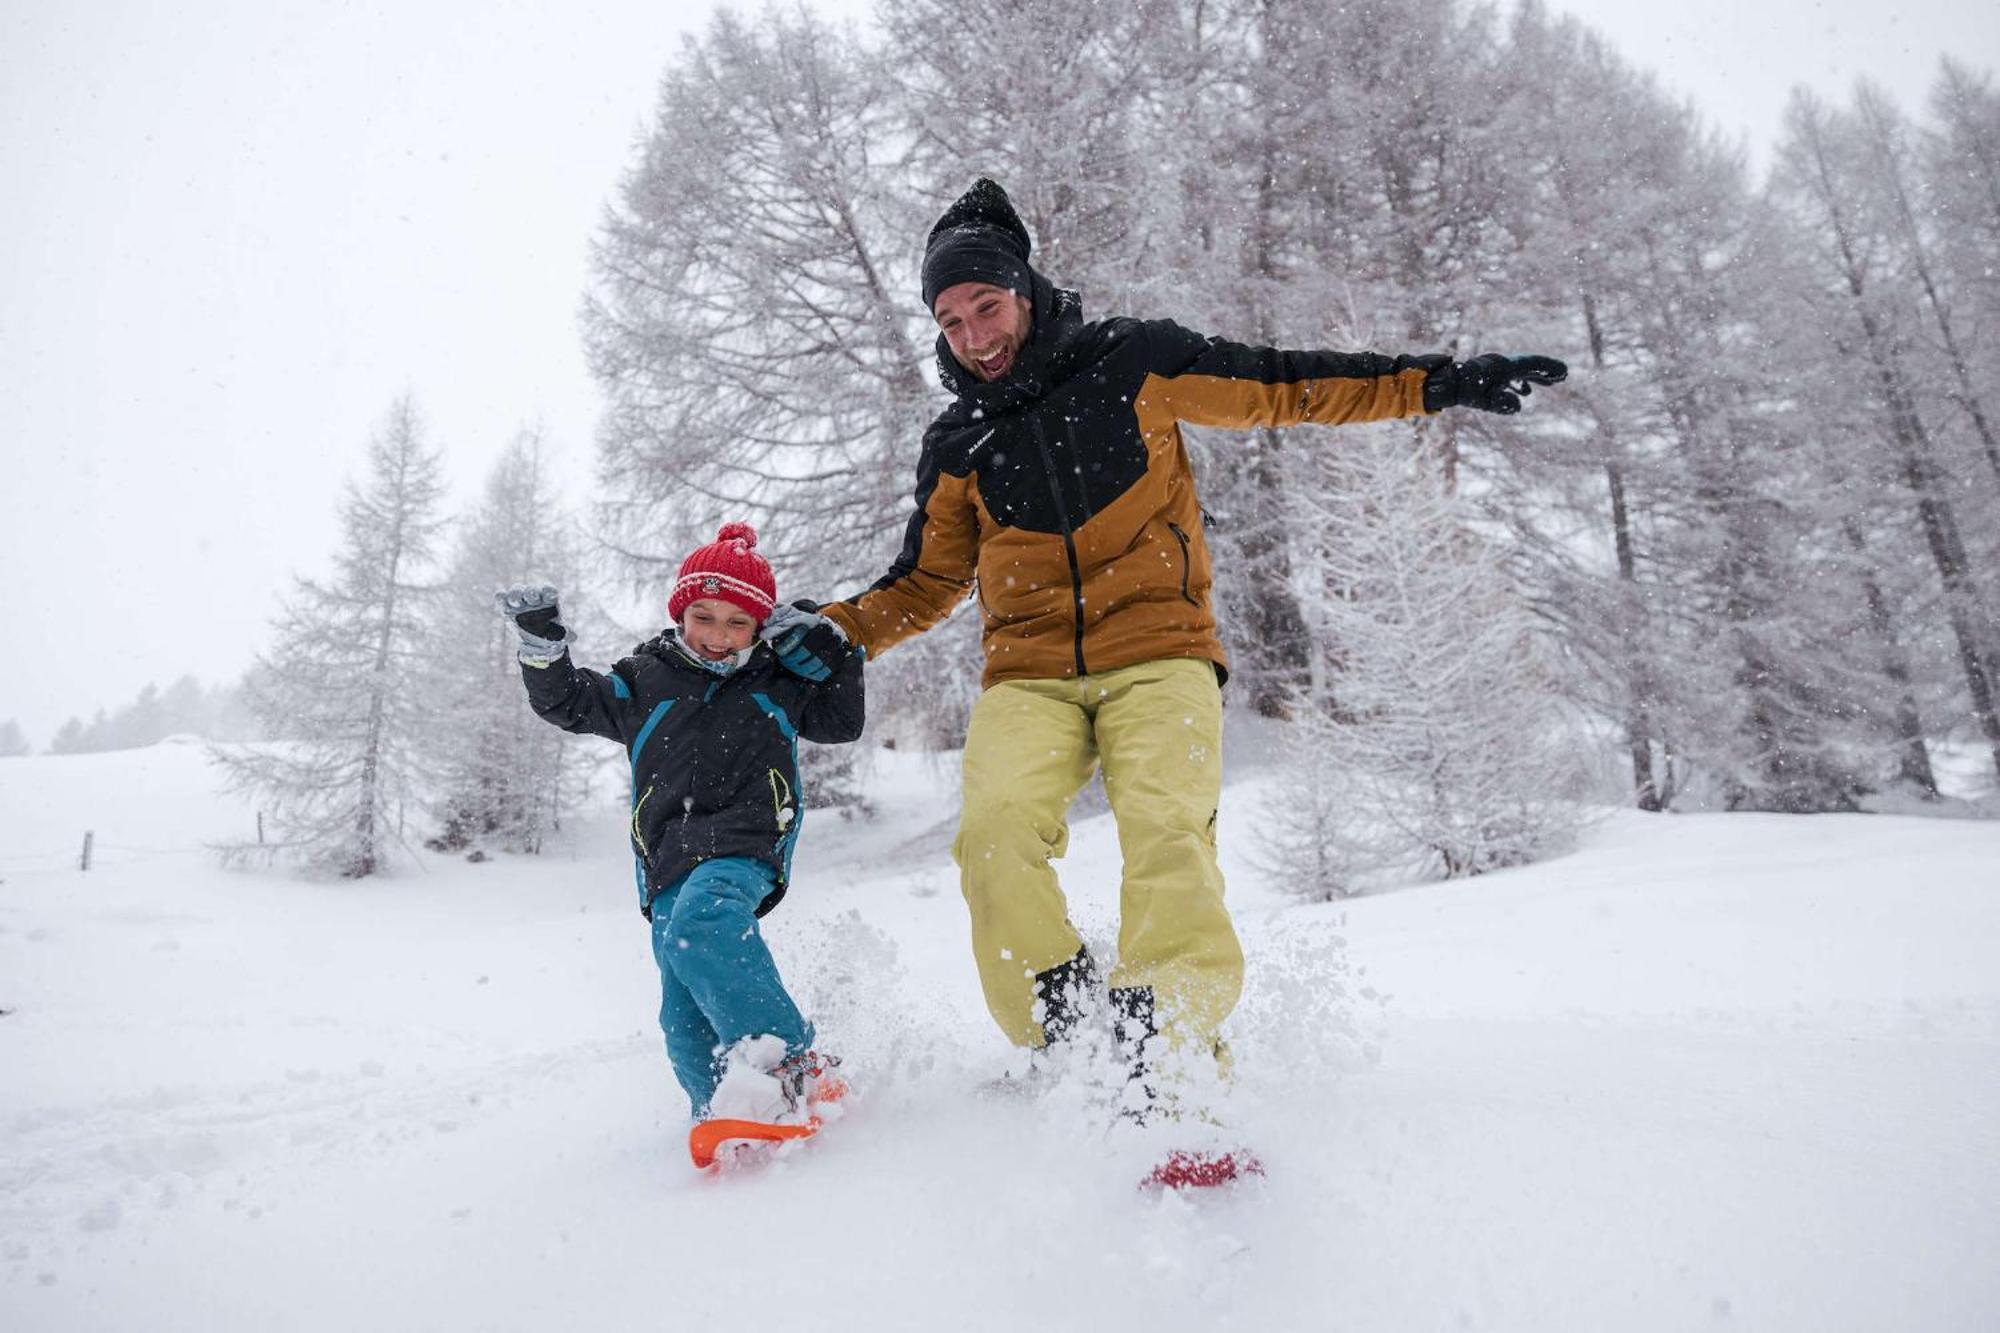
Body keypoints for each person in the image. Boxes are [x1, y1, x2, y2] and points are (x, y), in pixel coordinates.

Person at [817, 177, 1567, 1116]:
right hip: (1030, 676)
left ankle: (1166, 1045)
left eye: (987, 306)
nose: (975, 335)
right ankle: (1070, 1034)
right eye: (952, 319)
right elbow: (926, 583)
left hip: (1160, 652)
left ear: (1026, 290)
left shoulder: (1133, 361)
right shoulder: (959, 442)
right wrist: (834, 630)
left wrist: (1434, 380)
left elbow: (1286, 384)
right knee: (994, 834)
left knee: (1166, 829)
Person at [496, 522, 864, 1130]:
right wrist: (543, 648)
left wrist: (839, 653)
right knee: (681, 1011)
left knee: (705, 921)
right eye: (704, 616)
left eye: (737, 623)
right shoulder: (645, 678)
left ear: (759, 627)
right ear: (680, 612)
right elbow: (567, 701)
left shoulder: (778, 678)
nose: (718, 637)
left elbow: (840, 722)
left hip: (748, 836)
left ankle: (793, 1069)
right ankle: (724, 1114)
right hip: (666, 854)